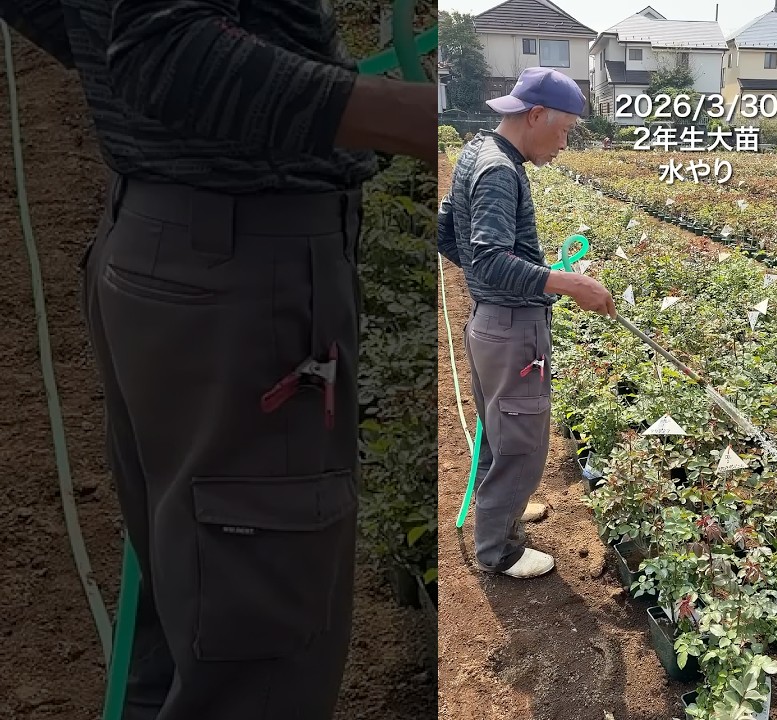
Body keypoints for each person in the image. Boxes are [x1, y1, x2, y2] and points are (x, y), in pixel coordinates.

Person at [0, 4, 436, 720]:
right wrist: (422, 117)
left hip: (167, 246)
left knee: (194, 622)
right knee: (257, 667)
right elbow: (163, 46)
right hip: (245, 273)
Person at [438, 67, 616, 579]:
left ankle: (503, 510)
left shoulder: (476, 151)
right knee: (523, 442)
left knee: (499, 428)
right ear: (535, 115)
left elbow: (448, 232)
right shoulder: (500, 170)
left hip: (491, 322)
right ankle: (498, 550)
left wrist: (485, 285)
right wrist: (571, 284)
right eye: (563, 132)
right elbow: (490, 258)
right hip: (513, 330)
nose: (563, 145)